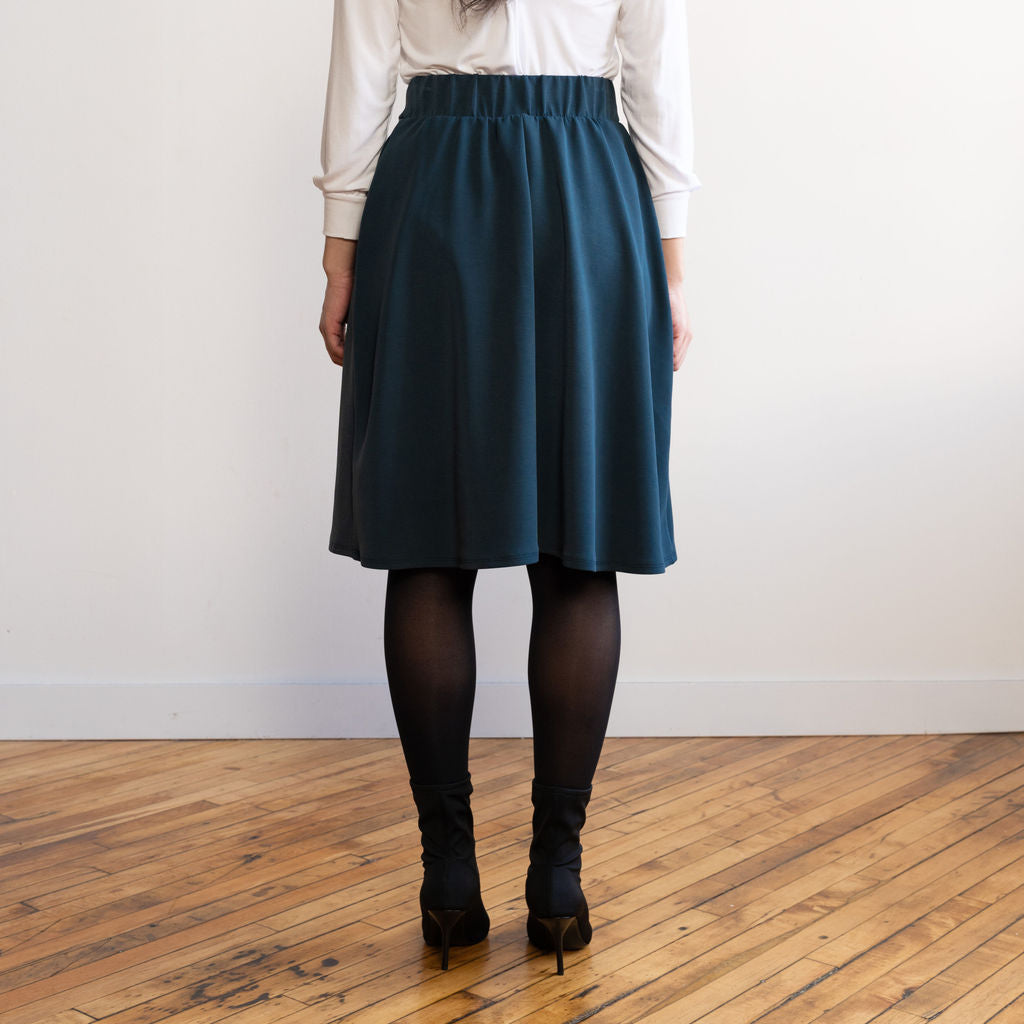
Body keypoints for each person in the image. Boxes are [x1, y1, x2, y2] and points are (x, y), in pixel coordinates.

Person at [313, 0, 701, 976]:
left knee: (428, 545)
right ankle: (557, 877)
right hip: (587, 192)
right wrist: (672, 267)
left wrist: (338, 252)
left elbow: (361, 81)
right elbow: (657, 81)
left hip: (431, 188)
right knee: (579, 546)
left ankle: (448, 875)